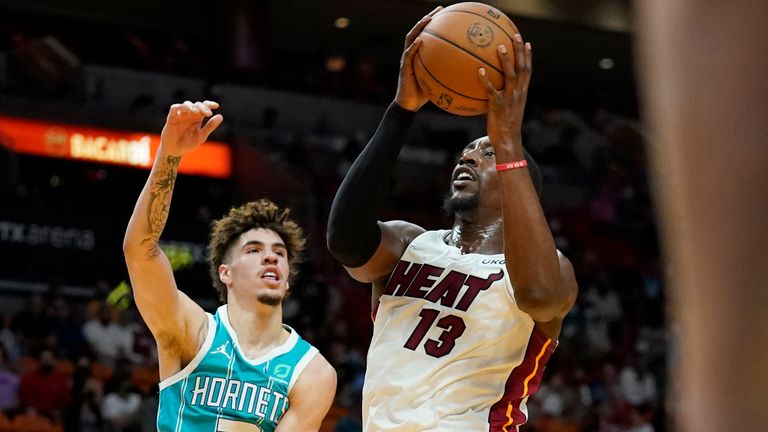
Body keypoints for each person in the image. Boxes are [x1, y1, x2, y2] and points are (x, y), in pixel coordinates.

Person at [326, 7, 578, 431]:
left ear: (522, 188)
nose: (468, 156)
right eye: (467, 152)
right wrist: (402, 110)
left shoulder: (548, 268)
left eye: (486, 153)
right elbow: (346, 241)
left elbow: (540, 297)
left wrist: (508, 141)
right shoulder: (409, 245)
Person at [123, 100, 337, 431]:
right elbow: (140, 249)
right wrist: (169, 154)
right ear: (226, 273)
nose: (270, 257)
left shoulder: (313, 372)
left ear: (287, 280)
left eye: (279, 253)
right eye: (254, 250)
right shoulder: (191, 331)